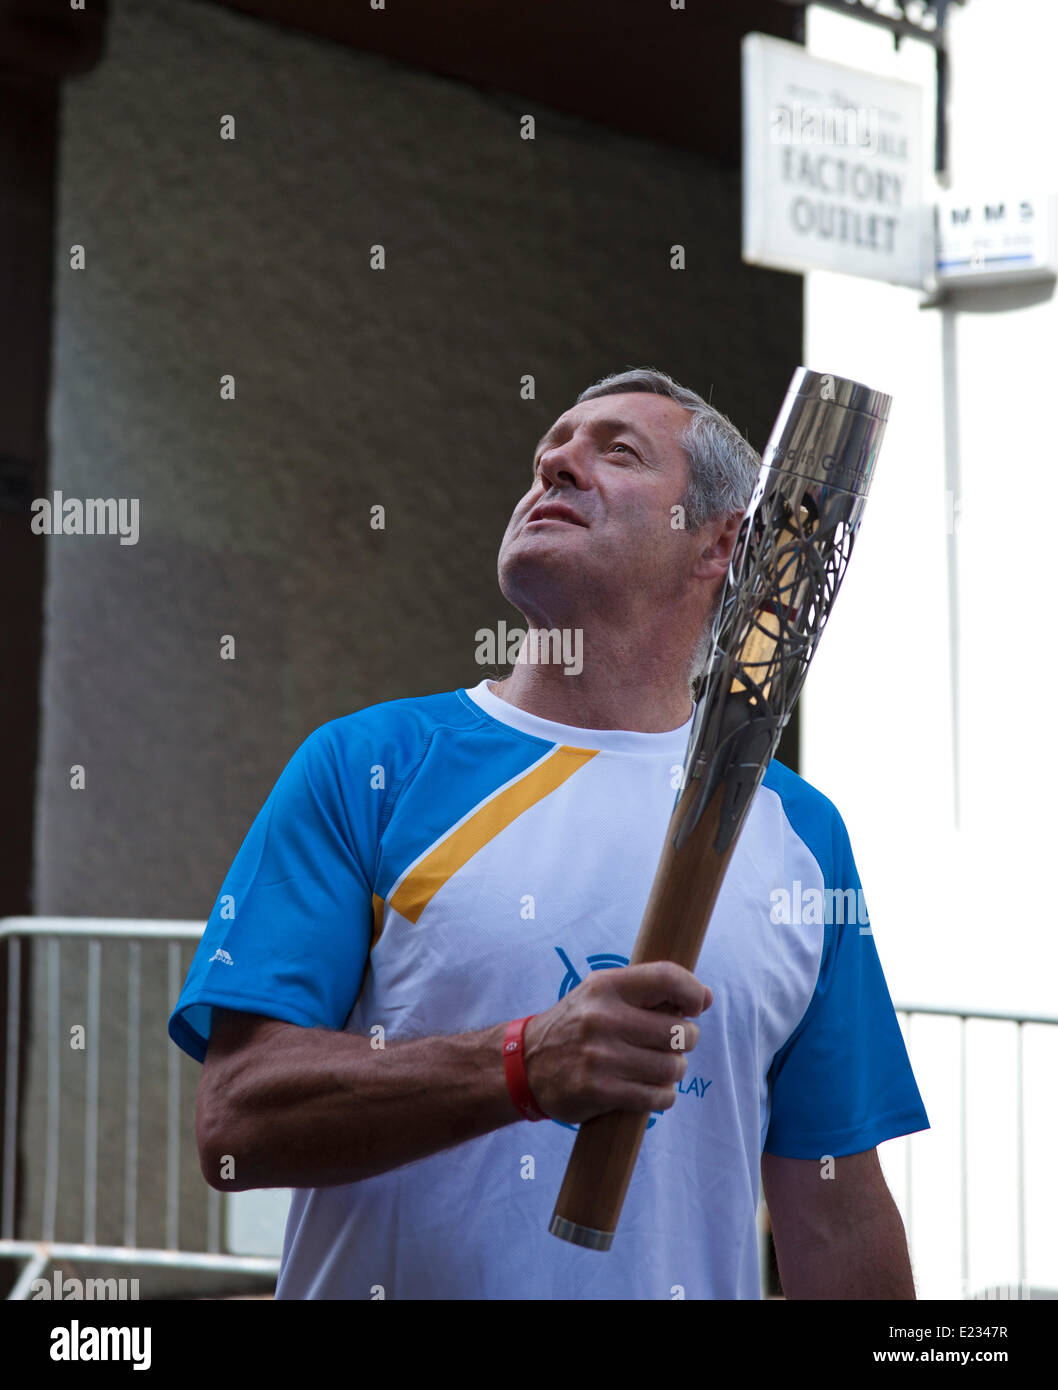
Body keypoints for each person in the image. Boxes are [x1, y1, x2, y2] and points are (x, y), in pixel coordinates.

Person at [169, 366, 929, 1300]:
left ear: (722, 545)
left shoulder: (801, 837)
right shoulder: (370, 765)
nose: (557, 465)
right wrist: (523, 1065)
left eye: (617, 451)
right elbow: (237, 1123)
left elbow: (837, 1211)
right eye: (548, 454)